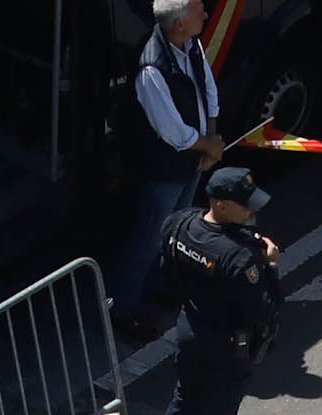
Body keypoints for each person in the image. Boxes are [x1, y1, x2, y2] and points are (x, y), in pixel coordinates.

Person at [146, 168, 279, 415]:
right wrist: (270, 267)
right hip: (226, 343)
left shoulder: (180, 224)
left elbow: (166, 273)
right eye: (243, 205)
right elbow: (262, 311)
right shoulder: (240, 256)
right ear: (220, 204)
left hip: (189, 327)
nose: (251, 211)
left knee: (184, 396)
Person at [110, 0, 224, 329]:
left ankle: (159, 289)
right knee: (146, 238)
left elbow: (209, 91)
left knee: (174, 230)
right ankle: (123, 311)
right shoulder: (152, 69)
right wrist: (208, 146)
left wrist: (211, 141)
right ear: (178, 25)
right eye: (198, 10)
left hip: (189, 160)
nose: (205, 14)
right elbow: (172, 131)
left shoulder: (190, 44)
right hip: (162, 168)